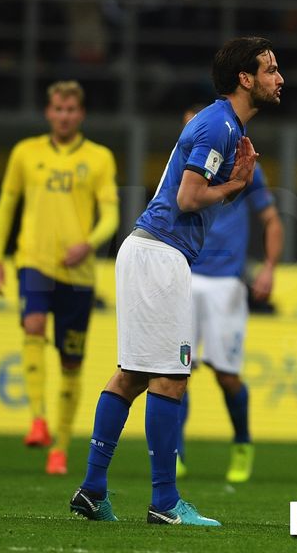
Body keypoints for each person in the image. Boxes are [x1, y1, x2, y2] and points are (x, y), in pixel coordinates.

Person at [70, 36, 277, 526]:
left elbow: (197, 196)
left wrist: (233, 187)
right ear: (245, 79)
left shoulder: (220, 124)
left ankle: (93, 490)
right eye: (270, 69)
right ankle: (164, 502)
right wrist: (236, 185)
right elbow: (188, 198)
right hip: (159, 254)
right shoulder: (219, 126)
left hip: (152, 251)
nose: (279, 77)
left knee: (135, 374)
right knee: (171, 377)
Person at [0, 80, 119, 476]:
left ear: (80, 115)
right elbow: (7, 204)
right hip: (35, 261)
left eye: (70, 110)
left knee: (71, 362)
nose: (63, 116)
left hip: (77, 273)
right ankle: (37, 419)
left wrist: (89, 243)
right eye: (57, 110)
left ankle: (60, 447)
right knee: (32, 324)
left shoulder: (99, 158)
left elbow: (111, 213)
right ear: (49, 113)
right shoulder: (25, 153)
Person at [177, 106, 285, 484]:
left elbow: (271, 219)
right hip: (185, 274)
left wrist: (269, 267)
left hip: (226, 281)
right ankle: (176, 450)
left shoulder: (241, 162)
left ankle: (242, 441)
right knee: (178, 369)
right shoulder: (183, 166)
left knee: (225, 375)